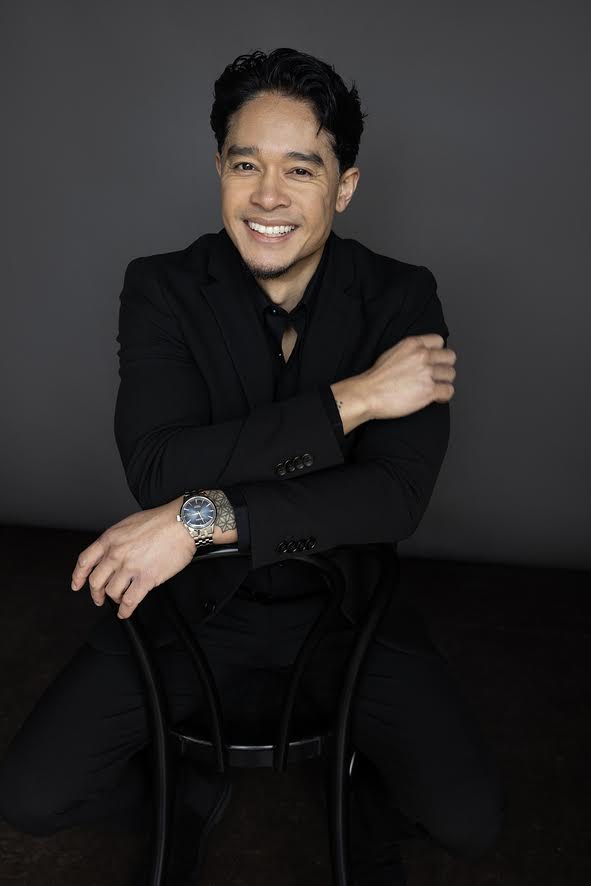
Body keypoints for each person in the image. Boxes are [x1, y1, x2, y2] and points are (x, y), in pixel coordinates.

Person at [0, 47, 503, 885]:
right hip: (188, 605)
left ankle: (354, 801)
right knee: (31, 798)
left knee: (469, 823)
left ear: (343, 186)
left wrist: (197, 521)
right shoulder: (161, 287)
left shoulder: (400, 295)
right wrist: (355, 400)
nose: (268, 196)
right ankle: (183, 792)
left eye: (300, 169)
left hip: (343, 609)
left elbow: (392, 496)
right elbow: (160, 466)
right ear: (219, 171)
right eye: (245, 165)